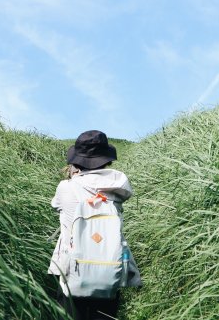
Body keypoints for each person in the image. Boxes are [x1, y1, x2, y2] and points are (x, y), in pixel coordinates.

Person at [48, 130, 142, 320]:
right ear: (106, 159)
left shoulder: (66, 187)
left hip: (71, 270)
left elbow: (56, 204)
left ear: (76, 161)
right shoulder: (118, 188)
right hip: (109, 267)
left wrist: (74, 175)